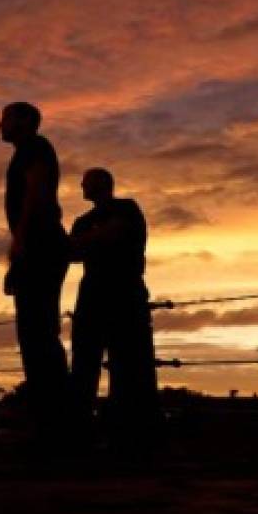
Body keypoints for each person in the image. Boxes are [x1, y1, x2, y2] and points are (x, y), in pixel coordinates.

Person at [68, 168, 159, 451]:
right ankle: (81, 432)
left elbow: (110, 236)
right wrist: (98, 236)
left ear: (102, 184)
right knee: (85, 365)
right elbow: (72, 252)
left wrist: (92, 238)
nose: (82, 185)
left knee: (129, 365)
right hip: (93, 297)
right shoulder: (83, 221)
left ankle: (130, 434)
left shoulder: (126, 208)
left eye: (87, 181)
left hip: (125, 295)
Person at [0, 101, 70, 442]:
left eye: (5, 118)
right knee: (34, 332)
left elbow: (37, 193)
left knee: (38, 332)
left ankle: (55, 422)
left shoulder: (35, 147)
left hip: (40, 246)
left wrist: (20, 243)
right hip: (38, 246)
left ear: (24, 121)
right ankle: (50, 419)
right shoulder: (25, 151)